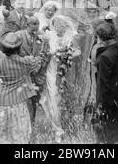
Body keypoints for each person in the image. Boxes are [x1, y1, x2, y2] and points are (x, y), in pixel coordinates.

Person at [0, 32, 50, 144]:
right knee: (18, 137)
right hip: (16, 103)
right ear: (18, 47)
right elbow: (40, 61)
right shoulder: (26, 62)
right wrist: (45, 44)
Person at [38, 14, 80, 143]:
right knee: (54, 96)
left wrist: (67, 54)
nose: (58, 28)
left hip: (67, 70)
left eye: (61, 25)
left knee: (67, 96)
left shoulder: (72, 37)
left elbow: (78, 51)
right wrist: (53, 53)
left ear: (65, 26)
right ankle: (57, 127)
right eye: (56, 25)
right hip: (52, 70)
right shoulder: (49, 36)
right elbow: (43, 51)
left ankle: (68, 121)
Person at [94, 22, 118, 144]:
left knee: (106, 131)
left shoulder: (105, 57)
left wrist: (100, 106)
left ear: (100, 37)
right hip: (116, 94)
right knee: (116, 126)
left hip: (108, 98)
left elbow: (103, 84)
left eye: (97, 36)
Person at [15, 16, 45, 122]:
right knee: (23, 99)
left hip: (36, 73)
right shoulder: (18, 35)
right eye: (33, 24)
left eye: (37, 24)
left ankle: (32, 121)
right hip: (22, 72)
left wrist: (38, 64)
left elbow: (44, 52)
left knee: (34, 99)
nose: (36, 27)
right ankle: (21, 121)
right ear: (27, 25)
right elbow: (14, 53)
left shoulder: (42, 35)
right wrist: (25, 62)